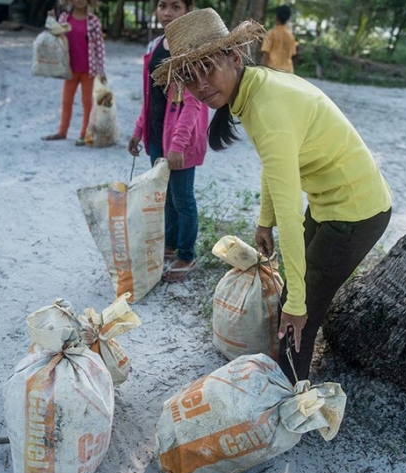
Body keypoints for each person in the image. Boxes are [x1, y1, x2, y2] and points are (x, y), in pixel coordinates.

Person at [152, 9, 393, 383]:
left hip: (355, 212)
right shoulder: (255, 87)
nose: (201, 85)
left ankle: (289, 399)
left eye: (208, 69)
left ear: (234, 57)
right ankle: (287, 374)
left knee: (299, 312)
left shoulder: (266, 107)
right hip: (334, 201)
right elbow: (274, 164)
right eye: (190, 76)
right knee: (296, 300)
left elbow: (291, 215)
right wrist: (265, 219)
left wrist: (296, 302)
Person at [127, 0, 208, 283]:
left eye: (176, 6)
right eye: (163, 5)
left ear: (189, 10)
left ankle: (187, 255)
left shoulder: (193, 51)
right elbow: (151, 97)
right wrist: (139, 130)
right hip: (155, 135)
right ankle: (171, 245)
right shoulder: (154, 48)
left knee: (183, 198)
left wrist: (177, 145)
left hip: (180, 142)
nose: (168, 13)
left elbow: (193, 103)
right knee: (166, 198)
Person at [42, 0, 105, 146]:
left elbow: (99, 46)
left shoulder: (93, 21)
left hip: (89, 69)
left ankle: (84, 134)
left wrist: (101, 71)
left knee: (87, 102)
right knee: (66, 101)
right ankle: (62, 131)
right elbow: (53, 37)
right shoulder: (64, 18)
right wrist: (51, 20)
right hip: (69, 68)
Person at [260, 4, 297, 73]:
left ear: (276, 17)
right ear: (287, 19)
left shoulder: (271, 34)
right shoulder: (291, 36)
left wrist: (262, 71)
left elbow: (265, 55)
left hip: (272, 71)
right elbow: (292, 55)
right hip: (287, 72)